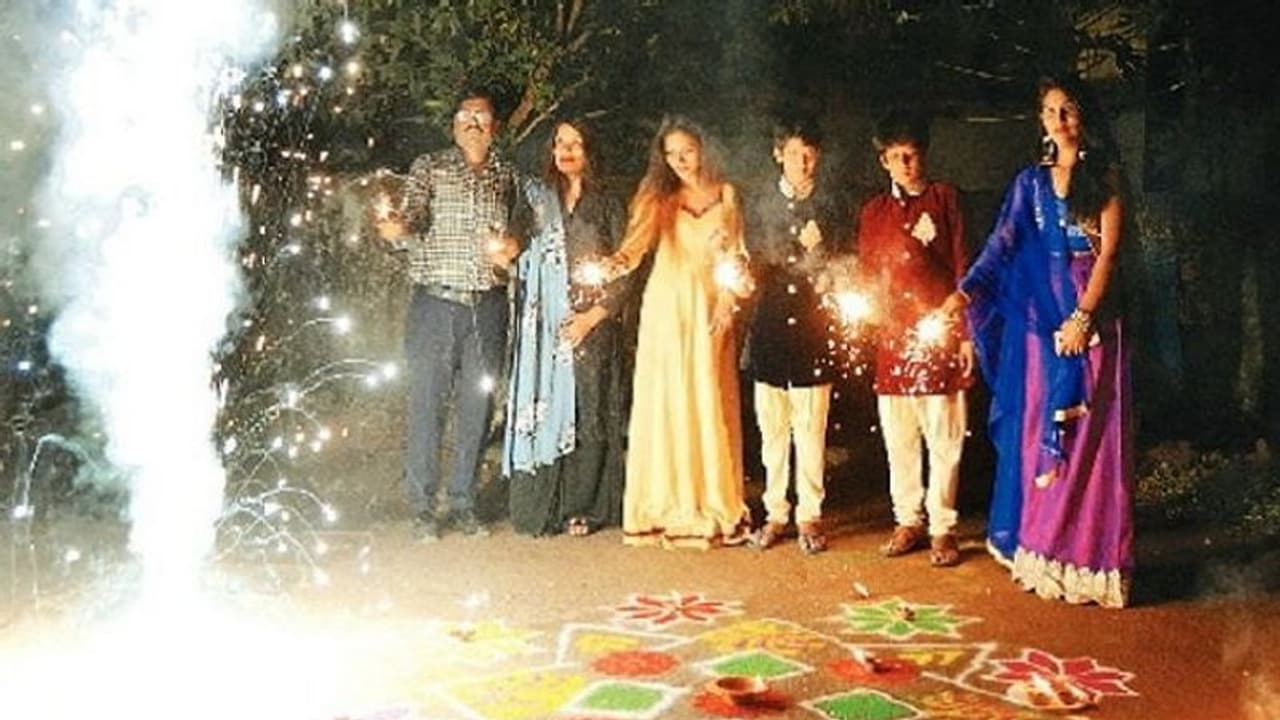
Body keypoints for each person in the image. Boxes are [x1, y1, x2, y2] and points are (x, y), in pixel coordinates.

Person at [942, 76, 1133, 606]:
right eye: (1049, 111)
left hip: (1090, 317)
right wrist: (964, 292)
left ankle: (1091, 560)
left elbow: (1108, 254)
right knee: (1036, 433)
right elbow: (1001, 245)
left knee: (1090, 439)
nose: (1059, 121)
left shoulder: (1106, 178)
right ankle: (1045, 551)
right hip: (1038, 327)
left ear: (1084, 116)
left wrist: (1083, 318)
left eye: (1067, 110)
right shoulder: (1030, 184)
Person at [376, 87, 524, 542]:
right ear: (454, 126)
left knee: (478, 407)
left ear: (495, 127)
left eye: (482, 116)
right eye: (465, 116)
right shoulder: (430, 166)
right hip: (435, 305)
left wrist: (514, 247)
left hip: (488, 306)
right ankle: (423, 508)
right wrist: (398, 229)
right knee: (427, 405)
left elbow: (523, 227)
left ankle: (463, 502)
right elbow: (413, 216)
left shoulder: (508, 175)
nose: (473, 123)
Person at [605, 115, 753, 549]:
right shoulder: (658, 196)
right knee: (668, 399)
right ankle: (664, 501)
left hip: (709, 303)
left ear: (703, 148)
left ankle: (711, 499)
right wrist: (613, 264)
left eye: (687, 151)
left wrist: (727, 299)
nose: (681, 161)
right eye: (671, 154)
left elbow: (737, 254)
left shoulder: (727, 194)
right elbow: (634, 247)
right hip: (667, 306)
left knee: (708, 396)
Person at [858, 110, 973, 567]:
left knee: (944, 436)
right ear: (883, 161)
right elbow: (867, 274)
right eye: (896, 157)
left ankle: (943, 526)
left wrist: (965, 335)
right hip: (893, 338)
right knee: (899, 437)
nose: (906, 164)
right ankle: (908, 519)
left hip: (939, 333)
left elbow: (965, 266)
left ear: (924, 155)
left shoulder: (945, 199)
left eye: (912, 154)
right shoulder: (874, 212)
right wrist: (867, 315)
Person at [503, 119, 629, 537]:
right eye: (560, 142)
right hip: (546, 326)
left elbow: (627, 265)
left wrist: (593, 317)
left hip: (593, 323)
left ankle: (585, 506)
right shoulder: (537, 200)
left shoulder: (608, 203)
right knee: (547, 407)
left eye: (576, 143)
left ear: (591, 150)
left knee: (589, 409)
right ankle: (546, 505)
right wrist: (505, 249)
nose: (567, 150)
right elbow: (516, 240)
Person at [743, 119, 847, 555]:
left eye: (808, 155)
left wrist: (819, 252)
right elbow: (750, 262)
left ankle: (810, 515)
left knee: (810, 430)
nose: (801, 163)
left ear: (817, 157)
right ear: (777, 155)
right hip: (769, 331)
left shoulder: (832, 205)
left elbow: (843, 265)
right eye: (792, 154)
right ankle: (775, 513)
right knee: (772, 431)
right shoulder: (759, 204)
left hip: (812, 331)